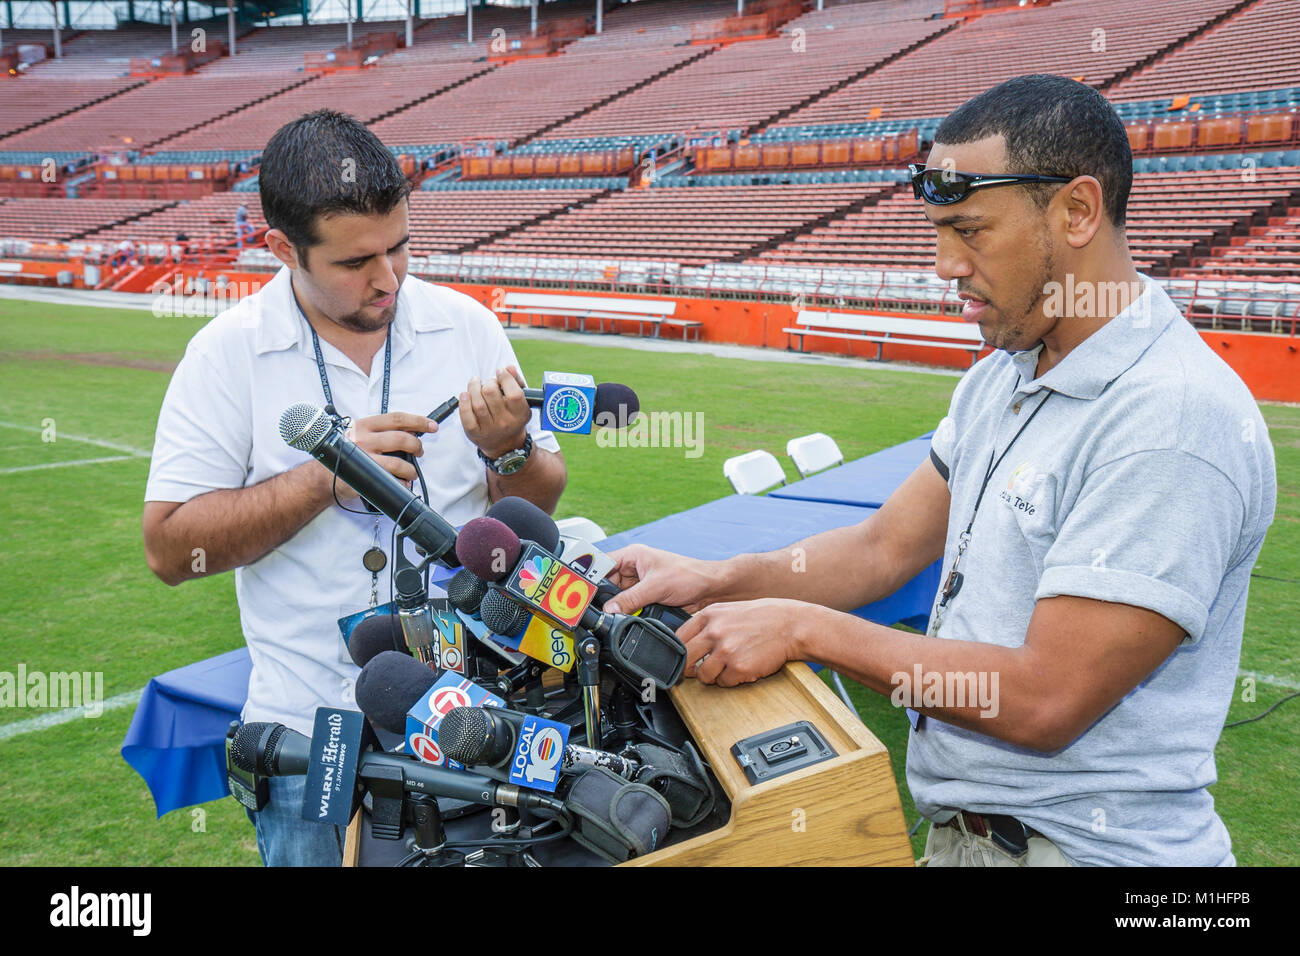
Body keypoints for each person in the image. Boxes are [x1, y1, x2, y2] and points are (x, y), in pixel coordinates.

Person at [601, 75, 1276, 867]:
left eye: (970, 230)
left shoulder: (1172, 419)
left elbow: (1043, 699)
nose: (944, 264)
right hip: (976, 842)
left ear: (1079, 211)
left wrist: (803, 628)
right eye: (936, 231)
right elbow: (885, 548)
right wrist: (718, 579)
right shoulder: (1006, 371)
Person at [141, 109, 568, 866]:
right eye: (354, 262)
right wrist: (325, 480)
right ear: (281, 249)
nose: (388, 277)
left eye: (399, 246)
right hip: (312, 740)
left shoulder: (465, 325)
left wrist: (508, 450)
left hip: (471, 725)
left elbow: (535, 508)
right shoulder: (224, 354)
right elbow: (172, 550)